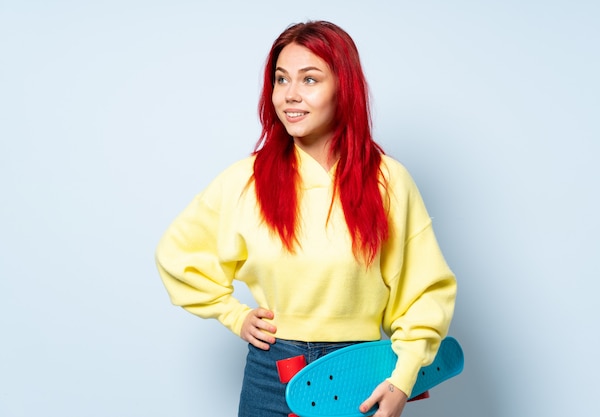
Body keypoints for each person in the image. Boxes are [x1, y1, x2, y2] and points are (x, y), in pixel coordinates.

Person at [155, 20, 457, 417]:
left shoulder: (388, 181)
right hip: (271, 373)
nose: (290, 96)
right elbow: (177, 254)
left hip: (359, 374)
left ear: (343, 89)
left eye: (309, 80)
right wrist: (235, 315)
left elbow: (424, 292)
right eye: (281, 80)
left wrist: (402, 381)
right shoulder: (247, 179)